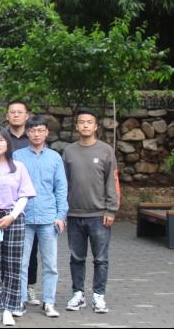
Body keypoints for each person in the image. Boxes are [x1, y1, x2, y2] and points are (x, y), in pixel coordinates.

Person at [63, 109, 120, 314]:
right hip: (74, 214)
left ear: (96, 126)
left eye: (89, 122)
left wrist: (111, 210)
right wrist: (62, 211)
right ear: (76, 126)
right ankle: (78, 294)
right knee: (76, 257)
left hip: (99, 215)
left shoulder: (106, 151)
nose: (85, 125)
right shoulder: (69, 151)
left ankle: (98, 295)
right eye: (81, 122)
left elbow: (112, 182)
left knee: (100, 258)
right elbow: (63, 184)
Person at [0, 128, 36, 326]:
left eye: (1, 140)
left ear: (8, 143)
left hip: (14, 218)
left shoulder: (18, 167)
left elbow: (24, 195)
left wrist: (12, 216)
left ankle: (10, 308)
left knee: (13, 264)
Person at [12, 115, 68, 318]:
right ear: (27, 133)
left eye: (40, 130)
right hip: (23, 217)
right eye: (32, 130)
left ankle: (49, 301)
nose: (36, 134)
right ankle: (19, 300)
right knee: (21, 262)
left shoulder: (54, 157)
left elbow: (61, 188)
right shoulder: (17, 156)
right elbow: (12, 186)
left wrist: (61, 215)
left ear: (47, 133)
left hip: (48, 217)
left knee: (50, 264)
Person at [5, 100, 40, 308]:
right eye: (12, 112)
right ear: (7, 115)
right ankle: (6, 285)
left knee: (31, 249)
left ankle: (29, 285)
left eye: (20, 112)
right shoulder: (1, 137)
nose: (16, 115)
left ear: (27, 116)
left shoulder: (33, 137)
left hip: (28, 203)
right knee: (4, 248)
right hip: (4, 201)